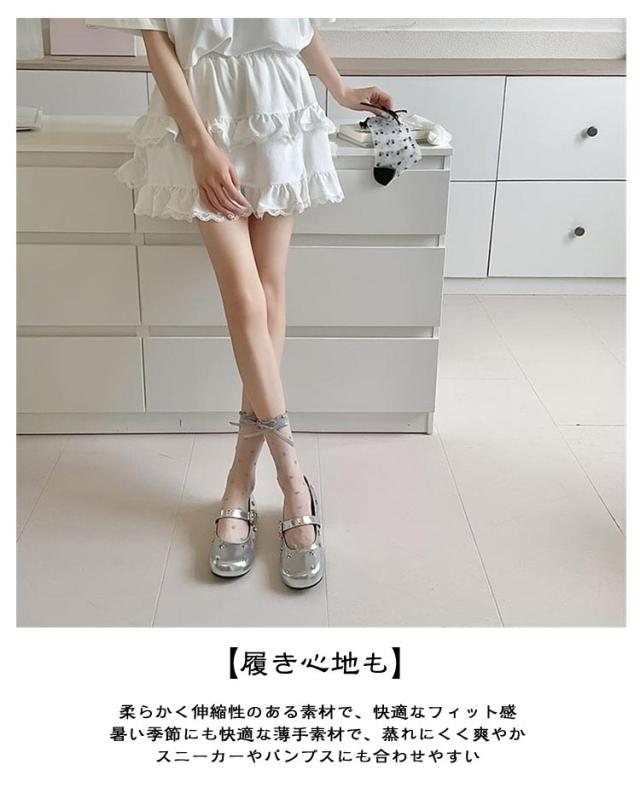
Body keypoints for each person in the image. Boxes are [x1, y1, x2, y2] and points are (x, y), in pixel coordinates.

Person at [85, 18, 393, 589]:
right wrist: (200, 145)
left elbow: (298, 23)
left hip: (280, 105)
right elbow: (157, 41)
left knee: (270, 288)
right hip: (203, 113)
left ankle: (239, 480)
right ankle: (293, 481)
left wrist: (341, 88)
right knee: (244, 296)